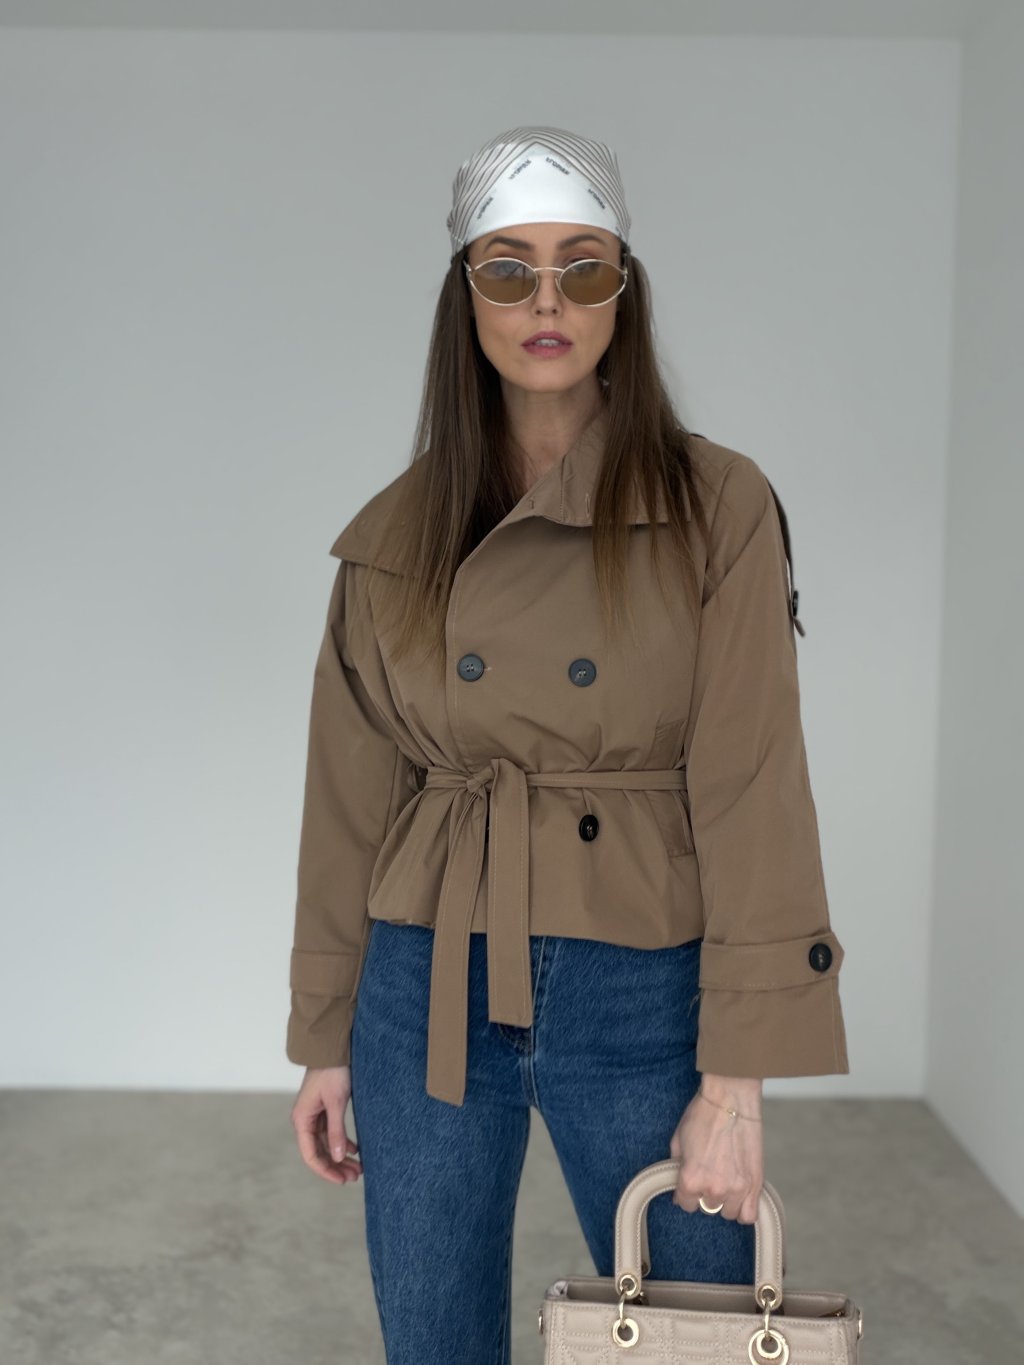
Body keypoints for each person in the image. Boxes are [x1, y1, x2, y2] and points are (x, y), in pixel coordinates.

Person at [285, 125, 849, 1364]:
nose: (547, 302)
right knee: (433, 1341)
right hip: (424, 981)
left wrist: (735, 1083)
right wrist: (325, 1038)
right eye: (509, 269)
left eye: (581, 267)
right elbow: (348, 801)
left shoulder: (715, 505)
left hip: (642, 979)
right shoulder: (392, 535)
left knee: (700, 1335)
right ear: (465, 296)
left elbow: (754, 783)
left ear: (621, 293)